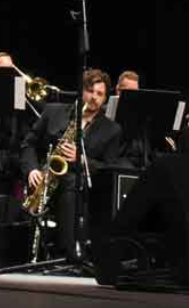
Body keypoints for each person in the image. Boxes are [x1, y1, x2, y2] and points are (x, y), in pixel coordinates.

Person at [21, 68, 122, 259]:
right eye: (90, 91)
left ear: (105, 98)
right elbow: (28, 144)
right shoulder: (53, 111)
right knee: (66, 183)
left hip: (82, 186)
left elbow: (109, 168)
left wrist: (82, 160)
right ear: (81, 90)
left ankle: (71, 254)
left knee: (70, 182)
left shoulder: (112, 130)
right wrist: (32, 169)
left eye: (99, 94)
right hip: (43, 177)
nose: (94, 97)